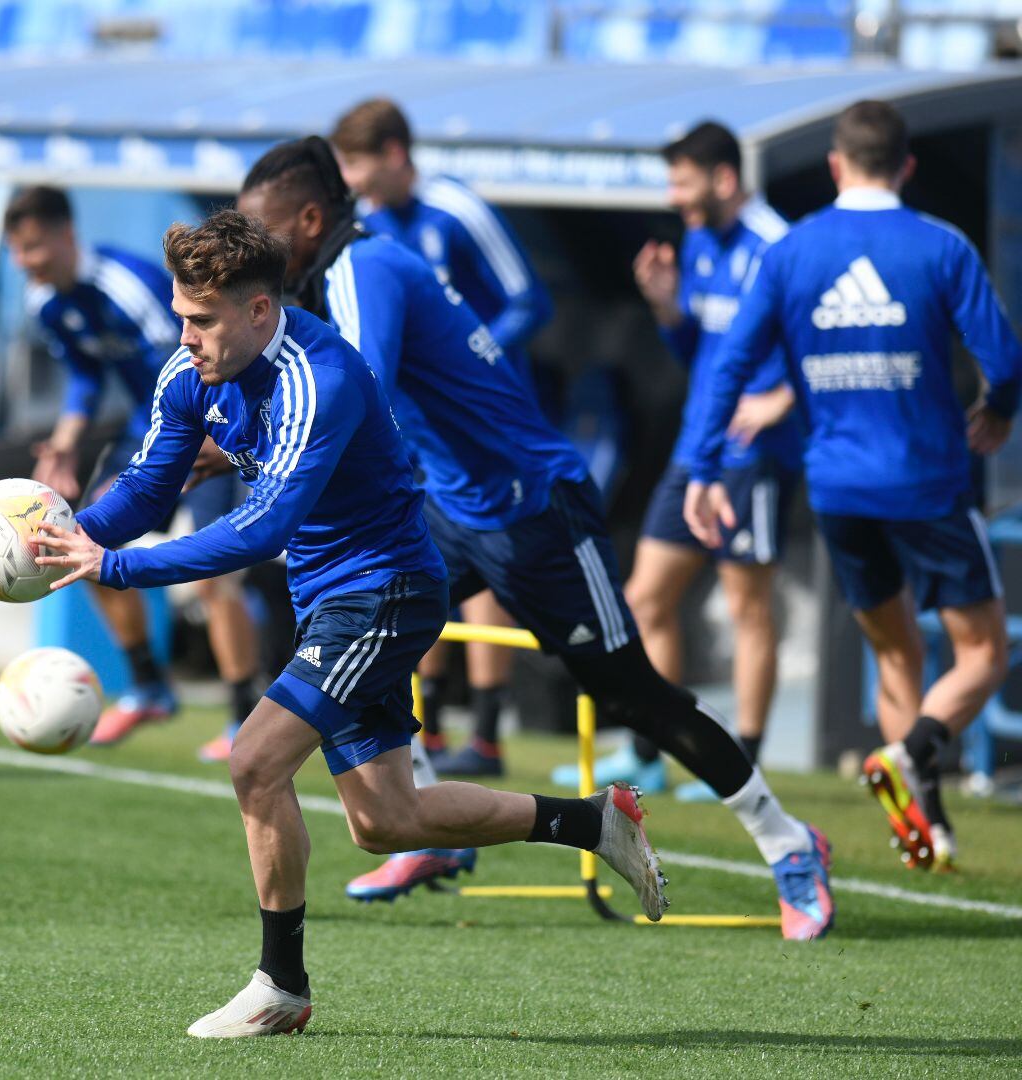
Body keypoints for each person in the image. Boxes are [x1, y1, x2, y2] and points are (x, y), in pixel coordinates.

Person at [34, 209, 669, 1038]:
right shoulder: (190, 374)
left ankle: (281, 985)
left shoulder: (319, 377)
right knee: (386, 823)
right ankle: (593, 821)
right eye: (183, 316)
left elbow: (258, 531)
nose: (184, 337)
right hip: (333, 600)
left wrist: (116, 566)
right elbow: (152, 485)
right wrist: (73, 531)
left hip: (388, 593)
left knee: (255, 763)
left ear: (260, 311)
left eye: (201, 320)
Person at [236, 137, 832, 941]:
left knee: (630, 694)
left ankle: (789, 842)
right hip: (452, 505)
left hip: (531, 508)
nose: (258, 248)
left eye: (265, 228)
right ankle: (422, 820)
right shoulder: (328, 275)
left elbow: (360, 396)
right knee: (357, 609)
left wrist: (242, 447)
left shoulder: (364, 270)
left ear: (310, 220)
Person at [686, 100, 1022, 872]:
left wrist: (704, 469)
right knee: (985, 655)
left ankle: (928, 829)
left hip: (836, 490)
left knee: (896, 651)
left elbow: (727, 367)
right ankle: (911, 755)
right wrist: (998, 412)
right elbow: (1003, 360)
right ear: (906, 166)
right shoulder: (939, 245)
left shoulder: (792, 252)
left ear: (835, 165)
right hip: (926, 484)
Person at [578, 122, 803, 802]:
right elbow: (698, 356)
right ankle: (651, 753)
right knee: (646, 599)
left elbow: (818, 335)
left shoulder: (777, 245)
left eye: (683, 181)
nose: (674, 196)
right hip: (696, 449)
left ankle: (748, 763)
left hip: (752, 457)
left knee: (747, 608)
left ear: (724, 179)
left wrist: (781, 399)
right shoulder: (700, 242)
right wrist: (667, 308)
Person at [333, 97, 555, 777]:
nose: (355, 187)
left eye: (361, 169)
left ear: (396, 154)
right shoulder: (367, 230)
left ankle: (487, 734)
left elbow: (530, 301)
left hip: (485, 428)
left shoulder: (458, 209)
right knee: (414, 552)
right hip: (412, 430)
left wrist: (469, 352)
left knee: (486, 566)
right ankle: (424, 733)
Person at [4, 186, 261, 748]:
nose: (25, 263)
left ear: (66, 235)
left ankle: (244, 718)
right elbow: (86, 374)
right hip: (144, 433)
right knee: (79, 539)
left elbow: (192, 361)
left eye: (32, 248)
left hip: (205, 426)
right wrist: (67, 439)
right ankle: (149, 686)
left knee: (218, 575)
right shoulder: (44, 300)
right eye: (16, 252)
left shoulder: (123, 287)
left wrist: (219, 440)